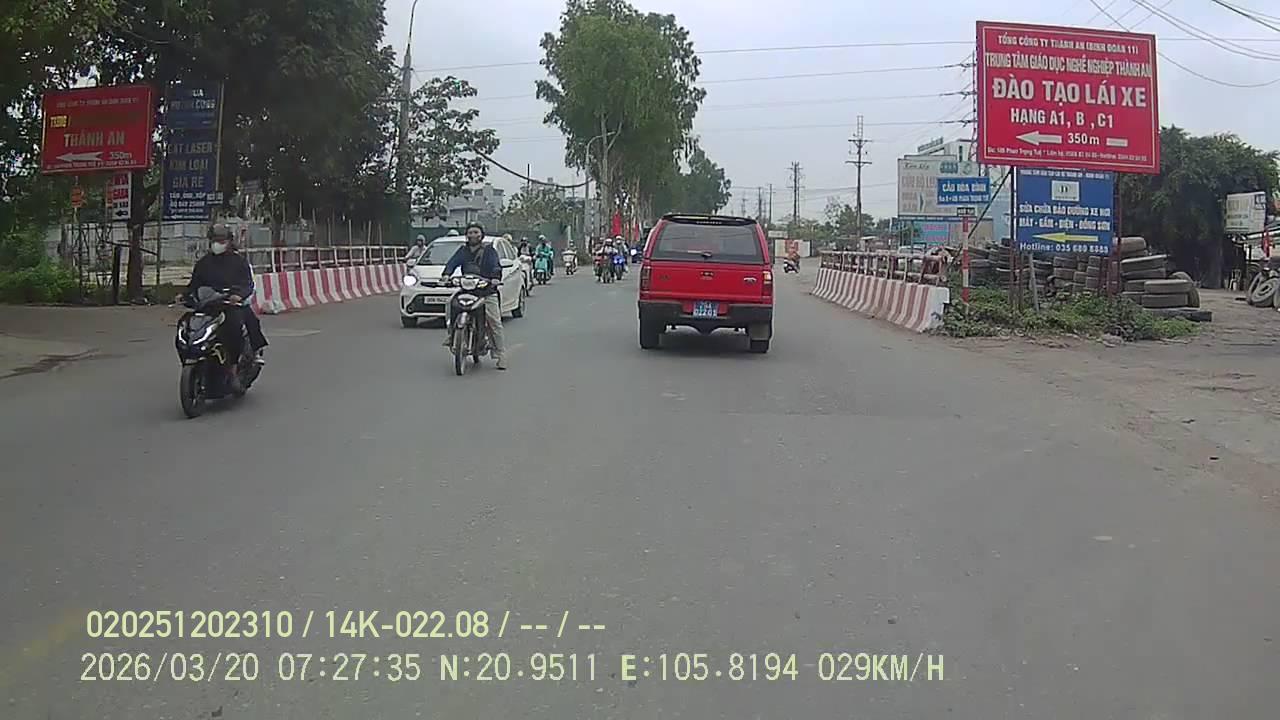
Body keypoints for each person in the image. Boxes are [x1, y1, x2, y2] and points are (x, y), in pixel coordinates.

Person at [179, 223, 268, 370]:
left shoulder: (239, 261)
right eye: (215, 240)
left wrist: (238, 296)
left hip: (230, 305)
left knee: (238, 324)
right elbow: (194, 285)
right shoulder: (203, 263)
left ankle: (236, 363)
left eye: (221, 241)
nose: (217, 244)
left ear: (229, 242)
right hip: (207, 306)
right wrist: (184, 295)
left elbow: (247, 284)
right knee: (186, 325)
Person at [440, 223, 507, 370]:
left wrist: (495, 278)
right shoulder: (463, 250)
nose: (472, 235)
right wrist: (446, 275)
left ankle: (500, 354)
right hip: (467, 290)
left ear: (481, 234)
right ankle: (452, 335)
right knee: (450, 304)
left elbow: (496, 266)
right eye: (470, 232)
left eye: (476, 232)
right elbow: (452, 263)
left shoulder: (489, 250)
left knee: (494, 322)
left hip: (486, 290)